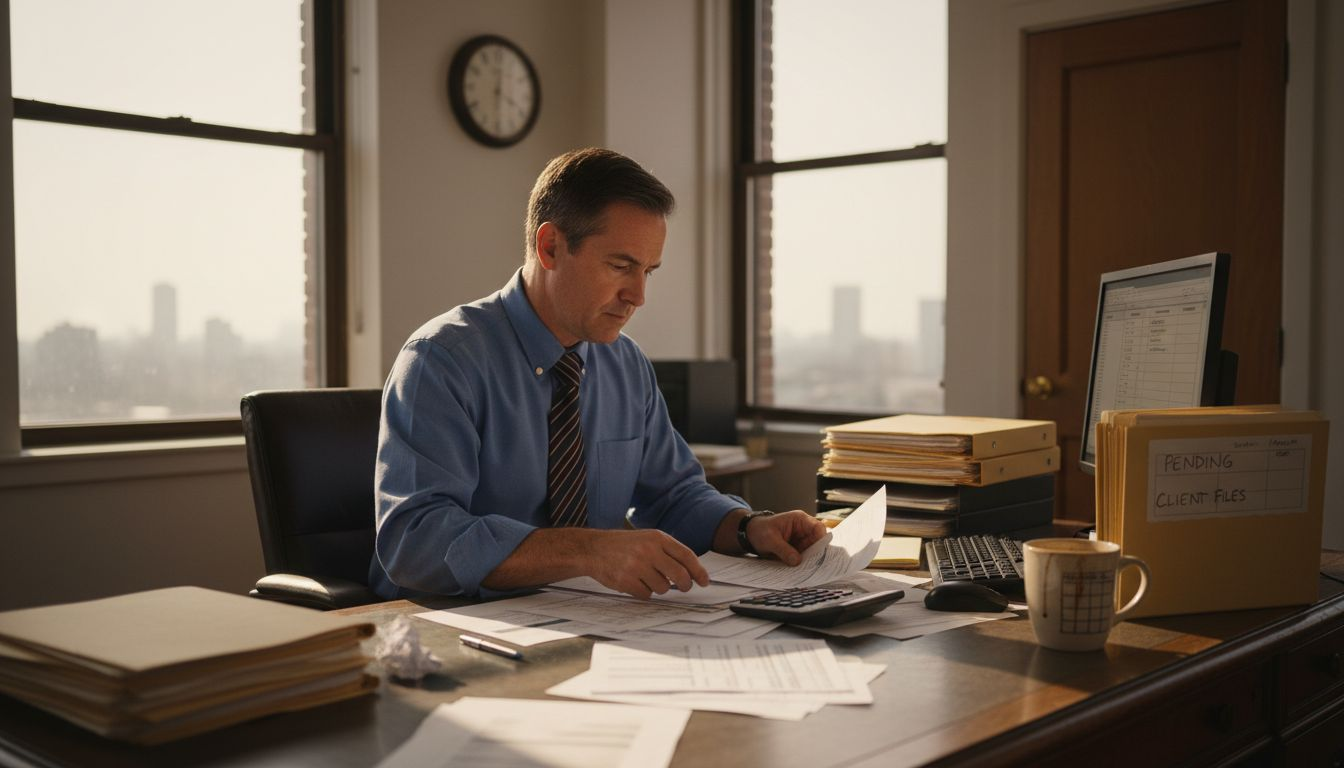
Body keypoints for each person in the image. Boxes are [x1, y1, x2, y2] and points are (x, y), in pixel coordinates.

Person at [370, 147, 826, 600]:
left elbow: (674, 495)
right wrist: (586, 550)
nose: (638, 295)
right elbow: (415, 541)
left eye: (649, 271)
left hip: (591, 621)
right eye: (621, 266)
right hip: (454, 629)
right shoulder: (441, 360)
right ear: (550, 247)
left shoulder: (624, 364)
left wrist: (749, 528)